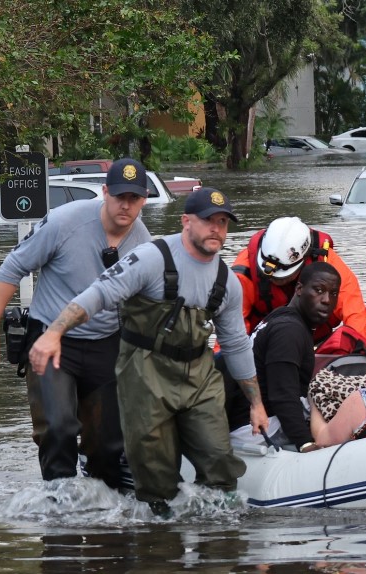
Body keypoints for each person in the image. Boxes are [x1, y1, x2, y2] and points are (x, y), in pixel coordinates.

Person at [28, 187, 269, 516]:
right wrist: (54, 332)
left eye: (223, 222)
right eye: (208, 220)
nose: (217, 228)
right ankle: (158, 544)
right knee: (155, 474)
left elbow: (238, 344)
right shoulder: (152, 257)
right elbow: (100, 292)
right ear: (186, 221)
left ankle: (220, 545)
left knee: (218, 460)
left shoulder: (228, 282)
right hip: (145, 372)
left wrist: (256, 404)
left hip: (198, 375)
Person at [0, 157, 151, 491]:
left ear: (143, 199)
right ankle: (59, 513)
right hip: (52, 342)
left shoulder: (144, 243)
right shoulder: (64, 222)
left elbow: (152, 299)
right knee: (58, 428)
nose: (126, 206)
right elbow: (12, 269)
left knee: (108, 444)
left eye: (134, 198)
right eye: (119, 197)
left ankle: (102, 518)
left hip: (106, 345)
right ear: (104, 193)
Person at [224, 262, 342, 452]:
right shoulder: (289, 331)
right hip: (257, 427)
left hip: (259, 418)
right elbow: (283, 395)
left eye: (333, 293)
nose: (327, 300)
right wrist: (305, 443)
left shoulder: (280, 317)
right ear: (299, 289)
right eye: (319, 290)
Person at [232, 216, 366, 345]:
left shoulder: (328, 265)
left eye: (284, 276)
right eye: (272, 277)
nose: (277, 280)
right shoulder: (243, 274)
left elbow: (355, 314)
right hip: (263, 345)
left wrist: (355, 354)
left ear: (304, 258)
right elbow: (231, 331)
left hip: (316, 342)